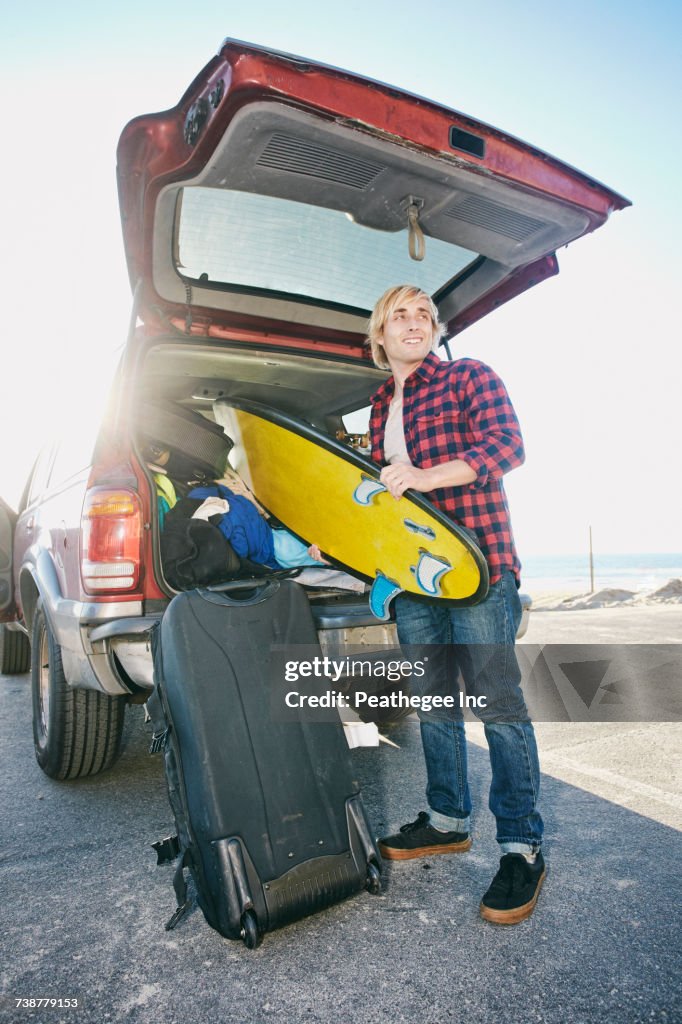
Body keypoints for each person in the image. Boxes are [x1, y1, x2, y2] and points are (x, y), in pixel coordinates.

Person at [367, 284, 545, 925]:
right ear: (380, 336)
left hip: (478, 571)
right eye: (399, 316)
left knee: (499, 708)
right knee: (434, 707)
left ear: (435, 330)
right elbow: (377, 498)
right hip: (414, 581)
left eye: (423, 315)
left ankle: (522, 845)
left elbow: (505, 447)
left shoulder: (469, 376)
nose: (413, 324)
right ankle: (446, 818)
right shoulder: (380, 403)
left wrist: (423, 476)